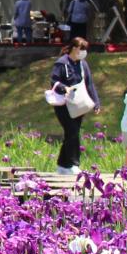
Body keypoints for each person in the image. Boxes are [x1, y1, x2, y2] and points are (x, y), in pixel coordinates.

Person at [48, 37, 99, 174]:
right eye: (81, 49)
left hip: (78, 104)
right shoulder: (61, 63)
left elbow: (89, 84)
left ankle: (62, 165)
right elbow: (54, 81)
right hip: (64, 105)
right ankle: (73, 163)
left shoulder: (83, 64)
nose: (83, 52)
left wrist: (96, 102)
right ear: (74, 48)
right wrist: (65, 88)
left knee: (72, 133)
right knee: (72, 132)